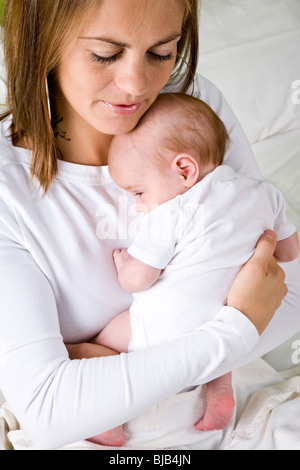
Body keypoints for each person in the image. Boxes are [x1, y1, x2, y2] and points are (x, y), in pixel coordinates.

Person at [0, 0, 297, 450]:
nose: (136, 86)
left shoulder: (190, 108)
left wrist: (101, 378)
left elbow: (288, 297)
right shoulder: (9, 190)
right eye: (104, 54)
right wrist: (235, 328)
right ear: (43, 41)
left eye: (161, 53)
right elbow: (50, 410)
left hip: (238, 416)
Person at [89, 93, 299, 447]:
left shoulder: (173, 211)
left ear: (184, 170)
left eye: (139, 192)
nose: (138, 206)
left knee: (100, 347)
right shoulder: (264, 193)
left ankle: (109, 416)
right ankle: (219, 391)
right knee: (220, 335)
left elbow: (138, 281)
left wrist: (126, 263)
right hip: (232, 320)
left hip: (166, 329)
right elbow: (290, 250)